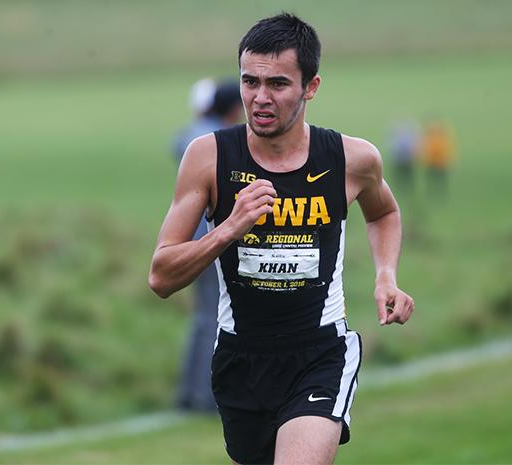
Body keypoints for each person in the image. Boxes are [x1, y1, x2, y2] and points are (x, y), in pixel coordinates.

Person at [149, 12, 414, 465]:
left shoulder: (351, 159)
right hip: (241, 357)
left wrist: (386, 276)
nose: (260, 98)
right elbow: (161, 276)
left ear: (310, 87)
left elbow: (384, 211)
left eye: (277, 84)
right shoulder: (207, 157)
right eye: (250, 82)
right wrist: (230, 227)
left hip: (320, 352)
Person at [172, 79, 243, 412]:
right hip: (211, 243)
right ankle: (206, 397)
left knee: (202, 319)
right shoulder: (220, 143)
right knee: (217, 318)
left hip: (187, 240)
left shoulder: (192, 134)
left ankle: (188, 392)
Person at [421, 119, 455, 198]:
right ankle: (433, 193)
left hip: (440, 163)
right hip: (432, 162)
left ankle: (439, 194)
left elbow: (447, 150)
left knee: (440, 180)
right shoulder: (430, 137)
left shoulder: (441, 137)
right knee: (432, 180)